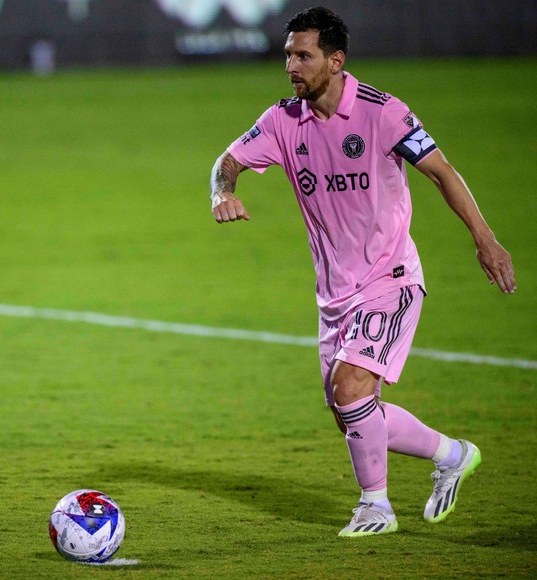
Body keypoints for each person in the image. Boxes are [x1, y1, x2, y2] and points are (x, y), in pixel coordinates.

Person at [208, 6, 516, 537]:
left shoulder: (384, 113)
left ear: (336, 60)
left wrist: (484, 239)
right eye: (288, 55)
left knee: (351, 390)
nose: (292, 66)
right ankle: (453, 454)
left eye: (303, 56)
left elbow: (442, 173)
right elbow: (227, 161)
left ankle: (376, 507)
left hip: (390, 279)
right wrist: (223, 193)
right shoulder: (283, 120)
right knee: (353, 413)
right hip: (334, 296)